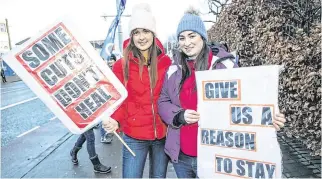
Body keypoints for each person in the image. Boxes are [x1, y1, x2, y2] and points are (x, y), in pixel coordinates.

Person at [157, 10, 287, 178]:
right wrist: (179, 116)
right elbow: (163, 101)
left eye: (192, 36)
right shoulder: (173, 70)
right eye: (182, 38)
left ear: (202, 37)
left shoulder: (225, 66)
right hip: (182, 156)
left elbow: (247, 101)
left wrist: (268, 118)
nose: (187, 42)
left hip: (215, 157)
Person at [102, 3, 172, 178]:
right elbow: (119, 100)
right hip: (134, 137)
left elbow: (173, 97)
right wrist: (115, 121)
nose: (141, 37)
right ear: (131, 36)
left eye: (146, 31)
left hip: (162, 136)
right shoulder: (121, 65)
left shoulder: (167, 63)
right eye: (136, 32)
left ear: (153, 34)